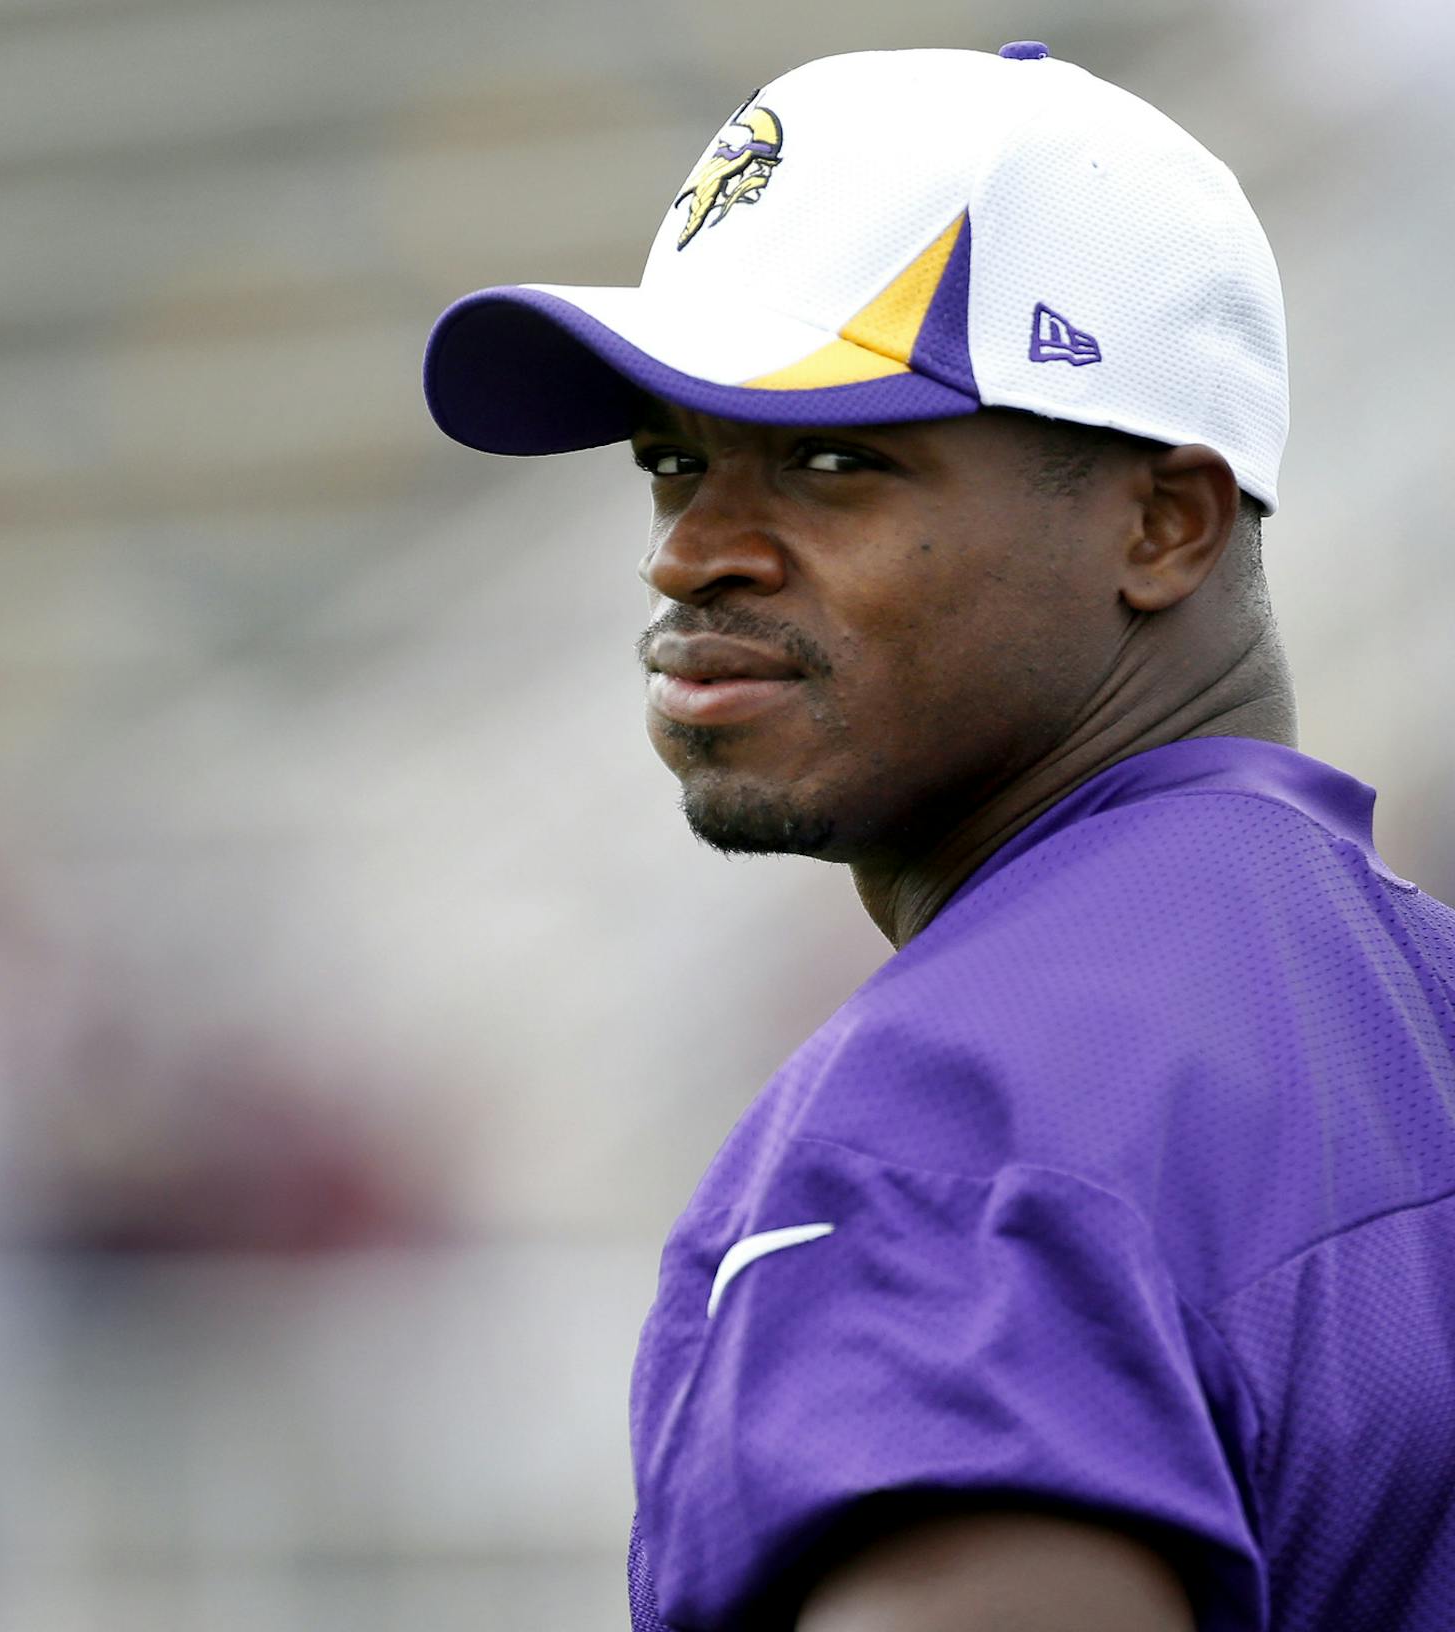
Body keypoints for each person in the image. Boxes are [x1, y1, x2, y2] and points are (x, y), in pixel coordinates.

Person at [422, 43, 1455, 1632]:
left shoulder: (959, 1116)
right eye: (673, 462)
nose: (691, 553)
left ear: (1163, 522)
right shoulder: (1413, 1002)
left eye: (835, 459)